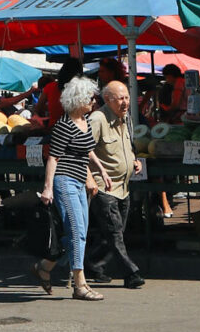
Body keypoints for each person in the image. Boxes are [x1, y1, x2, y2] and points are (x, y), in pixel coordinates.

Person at [37, 75, 111, 301]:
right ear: (78, 99)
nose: (93, 101)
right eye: (89, 98)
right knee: (77, 231)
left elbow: (87, 150)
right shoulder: (64, 126)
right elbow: (53, 158)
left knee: (79, 233)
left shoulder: (85, 122)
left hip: (79, 182)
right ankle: (80, 284)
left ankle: (45, 267)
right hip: (64, 181)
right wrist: (48, 188)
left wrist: (101, 169)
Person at [86, 81, 144, 289]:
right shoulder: (97, 119)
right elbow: (84, 150)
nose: (126, 102)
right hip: (104, 186)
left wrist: (134, 161)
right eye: (121, 98)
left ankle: (92, 265)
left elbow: (126, 146)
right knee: (114, 232)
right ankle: (131, 273)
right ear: (108, 100)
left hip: (123, 186)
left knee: (110, 233)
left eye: (127, 97)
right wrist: (90, 178)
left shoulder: (125, 118)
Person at [35, 57, 84, 129]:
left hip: (53, 129)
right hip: (76, 130)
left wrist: (40, 122)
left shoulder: (50, 87)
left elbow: (37, 109)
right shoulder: (81, 89)